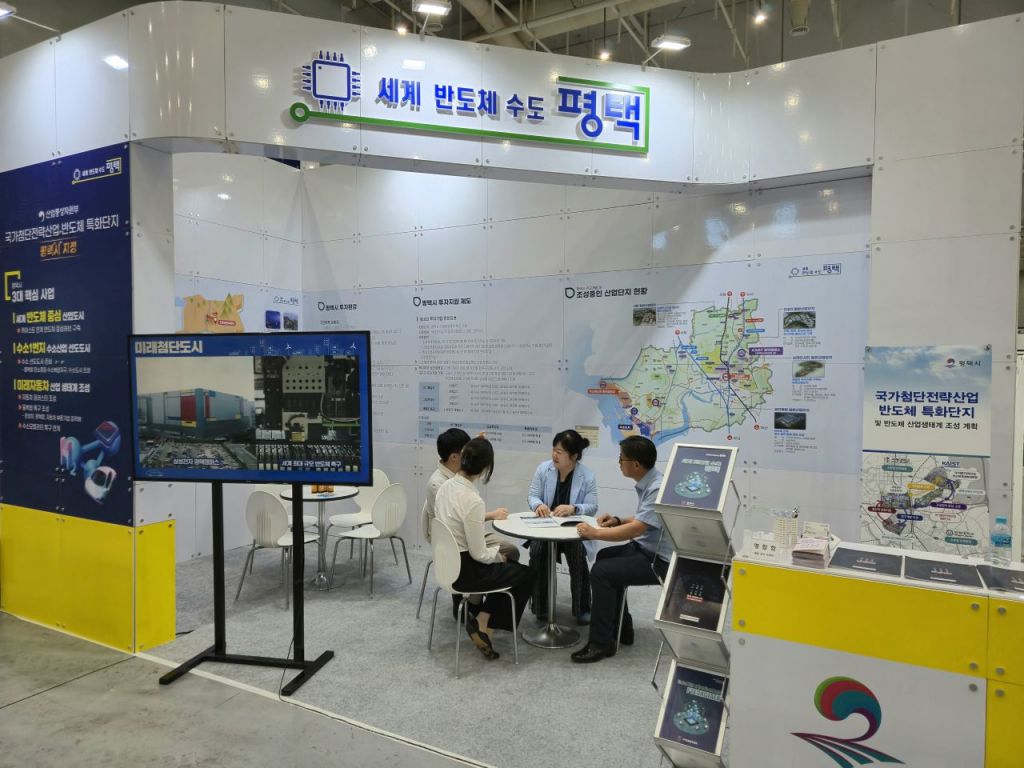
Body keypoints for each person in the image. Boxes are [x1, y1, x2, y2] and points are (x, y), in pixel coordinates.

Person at [570, 435, 670, 664]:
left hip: (659, 560)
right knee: (604, 557)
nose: (619, 463)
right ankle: (622, 628)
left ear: (636, 464)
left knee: (602, 572)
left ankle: (601, 643)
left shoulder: (656, 488)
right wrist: (617, 520)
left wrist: (594, 533)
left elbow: (636, 530)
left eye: (621, 459)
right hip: (646, 549)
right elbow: (643, 519)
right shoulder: (651, 482)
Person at [435, 437, 536, 660]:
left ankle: (482, 620)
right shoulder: (472, 500)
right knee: (526, 574)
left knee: (508, 568)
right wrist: (498, 556)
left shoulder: (445, 487)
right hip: (465, 572)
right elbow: (479, 554)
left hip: (445, 566)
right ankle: (484, 623)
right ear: (486, 469)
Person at [526, 429, 598, 624]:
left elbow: (592, 507)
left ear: (573, 456)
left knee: (577, 555)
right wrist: (538, 505)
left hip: (571, 530)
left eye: (559, 451)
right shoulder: (544, 469)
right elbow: (532, 495)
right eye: (553, 450)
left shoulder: (587, 476)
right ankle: (541, 607)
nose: (554, 455)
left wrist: (574, 508)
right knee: (537, 551)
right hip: (546, 528)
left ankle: (582, 609)